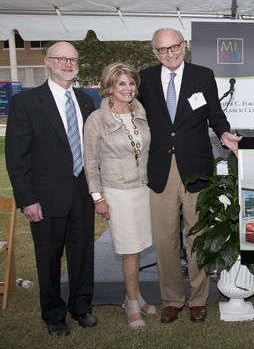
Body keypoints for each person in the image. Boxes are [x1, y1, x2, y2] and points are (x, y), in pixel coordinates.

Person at [137, 28, 241, 324]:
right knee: (164, 238)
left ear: (185, 46)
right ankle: (171, 299)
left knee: (197, 236)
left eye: (175, 47)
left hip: (196, 168)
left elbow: (215, 114)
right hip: (160, 168)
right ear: (154, 52)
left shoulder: (202, 75)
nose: (170, 54)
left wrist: (224, 133)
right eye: (163, 50)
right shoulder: (144, 78)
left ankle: (198, 299)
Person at [5, 42, 97, 336]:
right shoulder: (27, 102)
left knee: (82, 253)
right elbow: (16, 157)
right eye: (61, 58)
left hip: (82, 192)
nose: (68, 64)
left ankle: (81, 306)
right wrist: (27, 199)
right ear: (47, 62)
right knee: (49, 258)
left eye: (73, 59)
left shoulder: (85, 101)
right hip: (45, 198)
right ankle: (54, 314)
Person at [83, 62, 155, 330]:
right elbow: (89, 163)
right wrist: (98, 197)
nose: (129, 88)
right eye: (122, 83)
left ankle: (133, 297)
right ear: (109, 87)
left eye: (132, 83)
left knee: (138, 248)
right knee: (129, 250)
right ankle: (133, 304)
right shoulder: (97, 119)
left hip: (142, 189)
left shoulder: (140, 113)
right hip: (117, 192)